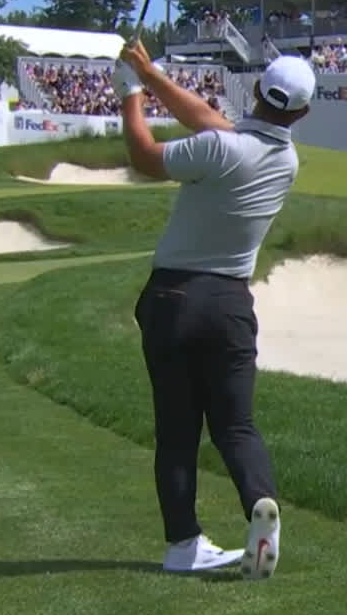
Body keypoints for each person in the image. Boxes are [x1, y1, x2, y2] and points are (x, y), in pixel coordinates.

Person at [113, 40, 315, 578]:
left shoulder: (218, 150)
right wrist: (149, 72)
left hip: (173, 298)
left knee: (177, 430)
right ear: (303, 112)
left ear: (255, 89)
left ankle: (183, 545)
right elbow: (209, 120)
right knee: (236, 426)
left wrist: (129, 93)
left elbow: (143, 157)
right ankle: (258, 503)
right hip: (229, 304)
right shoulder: (285, 160)